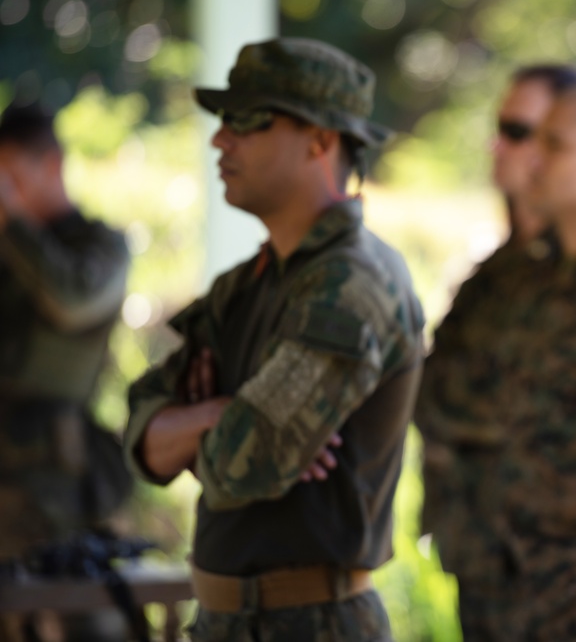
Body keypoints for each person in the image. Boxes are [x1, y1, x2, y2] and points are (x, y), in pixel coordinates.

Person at [122, 38, 424, 641]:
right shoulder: (248, 284)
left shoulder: (352, 283)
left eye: (248, 121)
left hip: (311, 625)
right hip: (225, 620)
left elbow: (246, 463)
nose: (219, 140)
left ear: (320, 140)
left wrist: (201, 429)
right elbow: (141, 440)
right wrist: (222, 415)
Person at [413, 64, 576, 629]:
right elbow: (430, 395)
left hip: (575, 589)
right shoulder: (491, 277)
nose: (500, 147)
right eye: (504, 129)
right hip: (483, 566)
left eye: (521, 132)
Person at [0, 103, 133, 640]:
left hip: (60, 493)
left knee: (84, 627)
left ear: (51, 166)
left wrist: (14, 226)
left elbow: (71, 299)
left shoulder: (97, 247)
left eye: (10, 176)